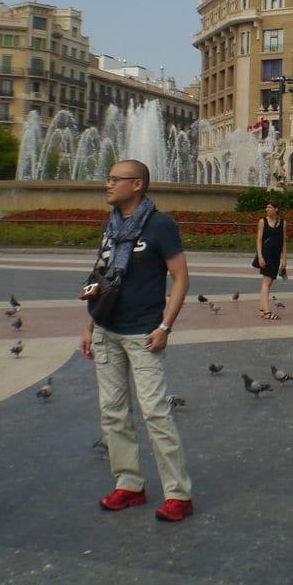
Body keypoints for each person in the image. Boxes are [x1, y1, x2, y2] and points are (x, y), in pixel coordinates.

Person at [82, 159, 195, 524]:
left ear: (137, 185)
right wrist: (90, 323)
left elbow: (180, 278)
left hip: (144, 334)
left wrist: (166, 326)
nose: (107, 185)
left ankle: (178, 493)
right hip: (107, 330)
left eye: (115, 179)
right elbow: (102, 276)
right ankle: (129, 484)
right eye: (108, 178)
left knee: (155, 413)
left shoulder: (160, 225)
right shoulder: (112, 226)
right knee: (113, 412)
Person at [252, 199, 285, 321]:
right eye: (267, 207)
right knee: (267, 282)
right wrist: (260, 256)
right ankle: (267, 311)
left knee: (267, 283)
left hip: (276, 256)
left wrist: (284, 258)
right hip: (266, 255)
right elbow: (259, 240)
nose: (267, 209)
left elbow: (283, 242)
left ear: (276, 209)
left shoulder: (282, 223)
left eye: (270, 207)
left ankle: (262, 309)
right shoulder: (262, 221)